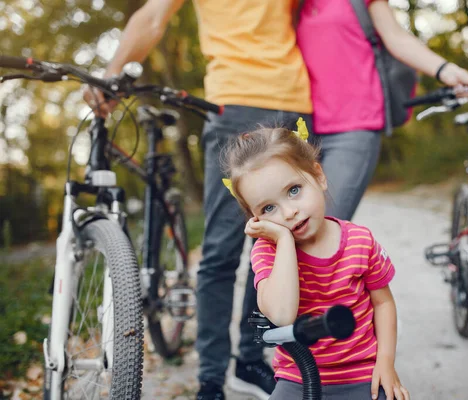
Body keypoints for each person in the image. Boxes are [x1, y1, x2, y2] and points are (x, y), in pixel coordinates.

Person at [83, 1, 312, 399]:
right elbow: (152, 17)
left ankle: (251, 359)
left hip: (295, 101)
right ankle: (211, 376)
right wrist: (111, 72)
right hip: (236, 103)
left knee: (276, 243)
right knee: (222, 249)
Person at [221, 121, 410, 400]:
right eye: (269, 208)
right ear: (256, 218)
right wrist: (284, 242)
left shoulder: (359, 240)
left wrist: (385, 361)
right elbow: (282, 315)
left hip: (363, 375)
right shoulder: (267, 252)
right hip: (297, 379)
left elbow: (383, 302)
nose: (288, 213)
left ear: (318, 176)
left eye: (294, 190)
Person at [295, 0, 468, 221]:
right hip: (301, 126)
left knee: (320, 225)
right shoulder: (291, 6)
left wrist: (446, 70)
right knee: (284, 227)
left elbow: (396, 37)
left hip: (354, 124)